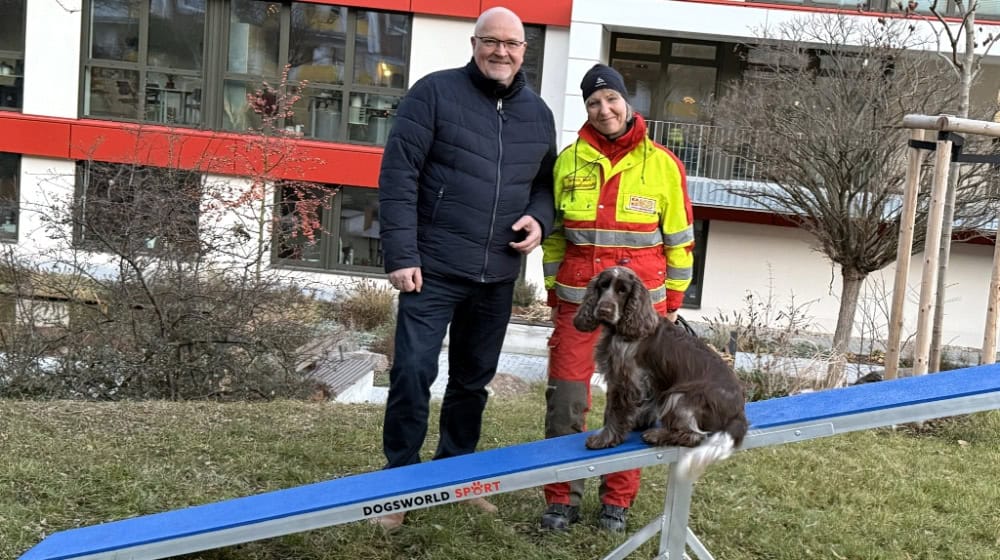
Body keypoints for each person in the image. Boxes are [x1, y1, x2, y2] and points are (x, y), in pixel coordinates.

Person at [374, 7, 557, 530]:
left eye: (512, 44)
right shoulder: (433, 94)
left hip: (498, 274)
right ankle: (398, 487)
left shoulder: (537, 114)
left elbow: (547, 184)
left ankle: (454, 476)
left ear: (525, 51)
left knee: (472, 383)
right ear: (474, 43)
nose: (501, 52)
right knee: (411, 373)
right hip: (431, 268)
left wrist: (540, 220)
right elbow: (398, 173)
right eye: (491, 41)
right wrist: (402, 254)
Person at [539, 64, 694, 532]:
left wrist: (670, 304)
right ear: (585, 109)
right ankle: (561, 499)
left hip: (639, 316)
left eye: (611, 100)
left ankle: (617, 502)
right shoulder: (567, 162)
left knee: (632, 401)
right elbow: (555, 238)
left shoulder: (663, 165)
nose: (603, 110)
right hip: (579, 308)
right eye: (593, 102)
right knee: (566, 403)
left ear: (627, 103)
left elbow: (681, 242)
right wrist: (555, 291)